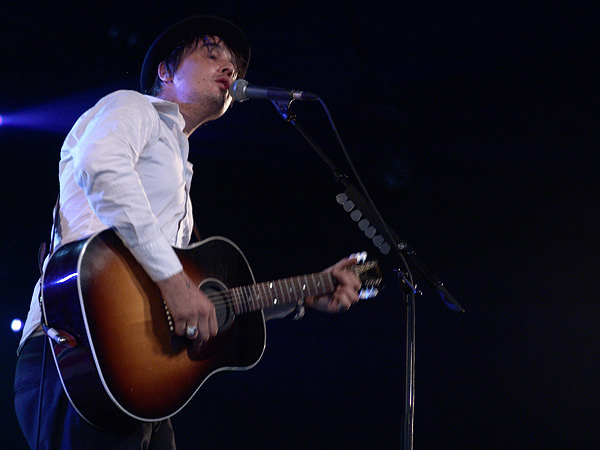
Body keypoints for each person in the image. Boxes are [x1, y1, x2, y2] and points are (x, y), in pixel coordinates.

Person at [14, 15, 361, 449]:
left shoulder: (181, 179)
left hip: (141, 381)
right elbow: (99, 166)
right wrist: (175, 282)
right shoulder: (132, 107)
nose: (228, 67)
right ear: (165, 72)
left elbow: (204, 303)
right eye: (210, 53)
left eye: (233, 63)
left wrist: (303, 296)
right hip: (76, 356)